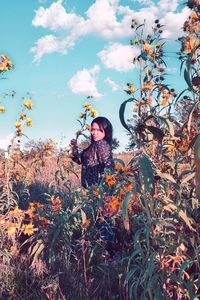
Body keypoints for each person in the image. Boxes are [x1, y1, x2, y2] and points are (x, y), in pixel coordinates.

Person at [70, 116, 114, 188]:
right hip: (91, 190)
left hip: (97, 190)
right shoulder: (93, 146)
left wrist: (102, 183)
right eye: (93, 129)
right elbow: (79, 160)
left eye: (99, 130)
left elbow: (109, 166)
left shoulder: (101, 144)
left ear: (106, 131)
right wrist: (74, 147)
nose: (94, 133)